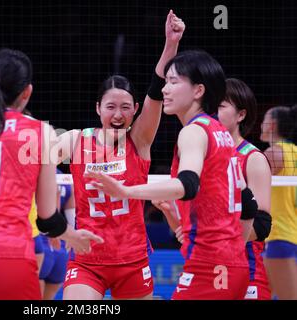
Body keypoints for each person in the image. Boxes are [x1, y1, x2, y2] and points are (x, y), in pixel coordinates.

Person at [0, 48, 103, 300]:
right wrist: (71, 235)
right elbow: (47, 218)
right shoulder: (39, 132)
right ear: (27, 93)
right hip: (8, 257)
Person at [86, 50, 254, 299]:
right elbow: (247, 203)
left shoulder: (193, 132)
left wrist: (126, 191)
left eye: (174, 82)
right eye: (166, 82)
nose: (165, 89)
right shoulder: (221, 133)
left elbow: (187, 184)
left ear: (198, 91)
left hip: (209, 266)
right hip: (233, 263)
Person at [56, 10, 185, 300]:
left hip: (132, 261)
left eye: (125, 107)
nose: (118, 114)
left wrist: (171, 44)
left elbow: (155, 92)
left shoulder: (139, 141)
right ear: (98, 109)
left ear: (136, 109)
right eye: (111, 107)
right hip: (87, 259)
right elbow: (31, 163)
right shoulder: (75, 140)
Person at [217, 78, 272, 300]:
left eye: (220, 106)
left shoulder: (253, 158)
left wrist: (217, 239)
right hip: (209, 269)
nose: (212, 112)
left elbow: (260, 226)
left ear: (241, 115)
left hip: (248, 271)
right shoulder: (202, 157)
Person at [260, 105, 297, 299]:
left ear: (272, 125)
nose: (261, 124)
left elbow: (249, 189)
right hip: (291, 235)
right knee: (260, 294)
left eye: (264, 119)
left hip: (279, 236)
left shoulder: (273, 154)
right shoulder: (295, 152)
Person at [39, 168, 75, 300]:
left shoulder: (37, 173)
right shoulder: (66, 179)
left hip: (40, 242)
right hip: (62, 248)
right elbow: (72, 218)